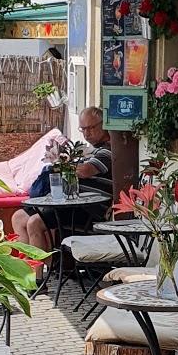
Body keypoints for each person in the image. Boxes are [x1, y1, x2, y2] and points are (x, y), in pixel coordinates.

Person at [10, 107, 113, 251]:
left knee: (34, 222)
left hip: (89, 210)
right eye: (82, 129)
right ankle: (37, 267)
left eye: (91, 128)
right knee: (19, 218)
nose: (86, 133)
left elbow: (85, 171)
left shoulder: (108, 150)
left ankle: (41, 272)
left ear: (104, 124)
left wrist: (61, 163)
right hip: (71, 205)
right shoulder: (90, 151)